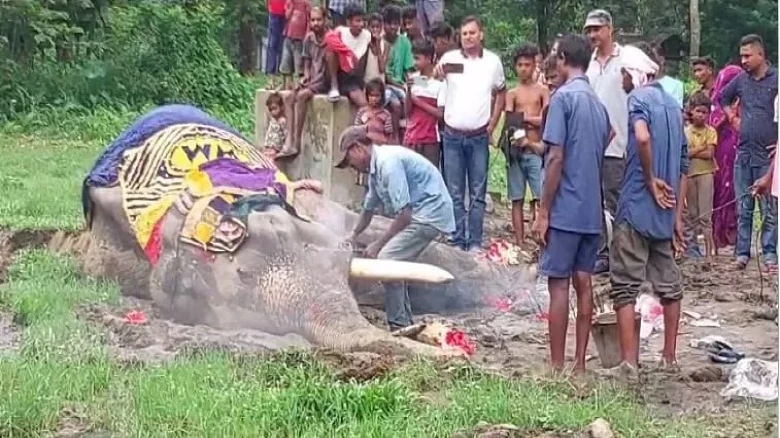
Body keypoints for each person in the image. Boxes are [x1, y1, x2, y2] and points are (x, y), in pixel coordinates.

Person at [532, 34, 611, 374]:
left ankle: (555, 365)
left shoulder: (563, 99)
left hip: (565, 207)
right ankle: (579, 364)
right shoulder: (596, 103)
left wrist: (544, 211)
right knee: (585, 282)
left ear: (564, 58)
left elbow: (555, 158)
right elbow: (608, 137)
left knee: (559, 284)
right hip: (591, 209)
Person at [609, 45, 688, 380]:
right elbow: (684, 164)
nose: (623, 80)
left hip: (636, 207)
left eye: (625, 74)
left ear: (637, 74)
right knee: (669, 285)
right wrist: (677, 217)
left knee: (625, 287)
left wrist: (651, 178)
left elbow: (641, 138)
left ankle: (630, 363)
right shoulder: (673, 106)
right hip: (663, 214)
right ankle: (669, 357)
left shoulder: (638, 100)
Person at [338, 126, 456, 331]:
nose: (352, 167)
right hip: (420, 214)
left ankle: (398, 323)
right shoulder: (376, 169)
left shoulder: (388, 164)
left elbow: (405, 214)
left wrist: (378, 244)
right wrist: (352, 235)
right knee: (394, 263)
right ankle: (403, 320)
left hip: (429, 214)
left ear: (357, 149)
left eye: (349, 161)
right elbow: (368, 209)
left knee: (387, 260)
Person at [435, 15, 506, 252]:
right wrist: (437, 72)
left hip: (478, 136)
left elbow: (501, 92)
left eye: (472, 33)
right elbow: (437, 78)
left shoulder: (493, 62)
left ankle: (474, 242)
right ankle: (457, 239)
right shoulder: (450, 59)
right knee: (454, 190)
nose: (468, 37)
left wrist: (493, 122)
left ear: (481, 34)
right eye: (464, 34)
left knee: (477, 192)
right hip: (453, 135)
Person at [718, 34, 778, 272]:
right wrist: (732, 116)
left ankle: (770, 253)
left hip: (768, 155)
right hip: (743, 152)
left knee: (769, 209)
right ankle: (742, 253)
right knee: (743, 207)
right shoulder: (742, 80)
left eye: (747, 55)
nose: (743, 60)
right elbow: (723, 97)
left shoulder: (777, 80)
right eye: (741, 56)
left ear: (761, 55)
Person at [584, 9, 627, 274]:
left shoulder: (627, 59)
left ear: (610, 29)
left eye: (597, 29)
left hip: (618, 145)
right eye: (589, 30)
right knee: (593, 202)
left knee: (617, 201)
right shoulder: (587, 63)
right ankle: (601, 254)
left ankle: (623, 254)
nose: (593, 34)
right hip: (592, 146)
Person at [505, 43, 549, 247]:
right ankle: (520, 242)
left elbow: (547, 119)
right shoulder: (512, 93)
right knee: (517, 198)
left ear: (534, 66)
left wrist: (526, 119)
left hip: (535, 148)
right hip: (516, 150)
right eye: (520, 65)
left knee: (541, 196)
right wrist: (522, 125)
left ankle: (543, 238)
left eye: (528, 65)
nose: (524, 68)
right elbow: (510, 120)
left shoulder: (542, 91)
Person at [280, 7, 328, 158]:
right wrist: (305, 76)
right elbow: (306, 62)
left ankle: (297, 143)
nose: (315, 23)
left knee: (301, 97)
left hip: (323, 80)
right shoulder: (308, 38)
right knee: (288, 98)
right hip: (312, 78)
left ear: (325, 20)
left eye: (318, 20)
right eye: (313, 20)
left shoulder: (330, 37)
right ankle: (289, 139)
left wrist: (312, 80)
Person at [709, 62, 742, 252]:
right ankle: (720, 232)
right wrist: (729, 113)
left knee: (734, 190)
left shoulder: (745, 100)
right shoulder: (718, 102)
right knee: (721, 188)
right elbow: (711, 127)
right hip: (721, 151)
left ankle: (733, 232)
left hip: (737, 149)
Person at [685, 93, 718, 263]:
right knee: (691, 214)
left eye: (704, 112)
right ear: (691, 111)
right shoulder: (686, 132)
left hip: (706, 174)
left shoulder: (711, 131)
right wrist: (700, 149)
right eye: (698, 111)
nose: (701, 115)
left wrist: (695, 152)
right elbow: (686, 154)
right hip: (690, 175)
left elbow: (710, 153)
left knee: (706, 215)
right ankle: (691, 250)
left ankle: (709, 254)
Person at [404, 39, 446, 166]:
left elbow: (440, 114)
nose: (414, 62)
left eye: (417, 58)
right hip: (411, 137)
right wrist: (409, 92)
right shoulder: (414, 79)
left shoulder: (439, 84)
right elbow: (407, 112)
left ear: (428, 58)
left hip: (430, 139)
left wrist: (417, 101)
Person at [325, 4, 370, 104]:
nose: (361, 24)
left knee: (363, 104)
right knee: (332, 50)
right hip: (339, 73)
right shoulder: (341, 31)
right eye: (357, 21)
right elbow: (329, 38)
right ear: (348, 22)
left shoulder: (367, 35)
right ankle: (334, 86)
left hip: (354, 77)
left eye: (363, 20)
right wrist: (348, 53)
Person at [279, 0, 312, 89]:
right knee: (286, 63)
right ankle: (286, 86)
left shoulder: (306, 3)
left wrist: (307, 33)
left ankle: (298, 86)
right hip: (288, 37)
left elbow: (309, 20)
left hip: (300, 39)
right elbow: (287, 16)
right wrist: (292, 6)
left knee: (298, 64)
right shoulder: (289, 2)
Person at [354, 79, 395, 144]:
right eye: (371, 95)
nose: (374, 99)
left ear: (382, 96)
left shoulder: (385, 114)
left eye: (377, 96)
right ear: (367, 96)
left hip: (380, 145)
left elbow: (388, 134)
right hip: (365, 144)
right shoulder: (362, 112)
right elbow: (356, 130)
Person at [266, 0, 288, 88]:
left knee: (284, 46)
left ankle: (282, 79)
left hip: (287, 12)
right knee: (273, 45)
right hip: (274, 12)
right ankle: (271, 78)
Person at [263, 93, 287, 162]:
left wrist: (283, 149)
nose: (273, 112)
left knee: (270, 162)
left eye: (275, 108)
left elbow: (286, 135)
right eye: (270, 109)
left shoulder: (282, 121)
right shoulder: (272, 120)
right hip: (268, 146)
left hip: (275, 148)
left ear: (281, 107)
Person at [364, 13, 387, 83]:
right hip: (367, 83)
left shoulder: (385, 45)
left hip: (380, 84)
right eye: (372, 27)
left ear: (381, 28)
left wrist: (378, 45)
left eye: (377, 27)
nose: (375, 30)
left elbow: (382, 69)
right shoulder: (365, 44)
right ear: (368, 27)